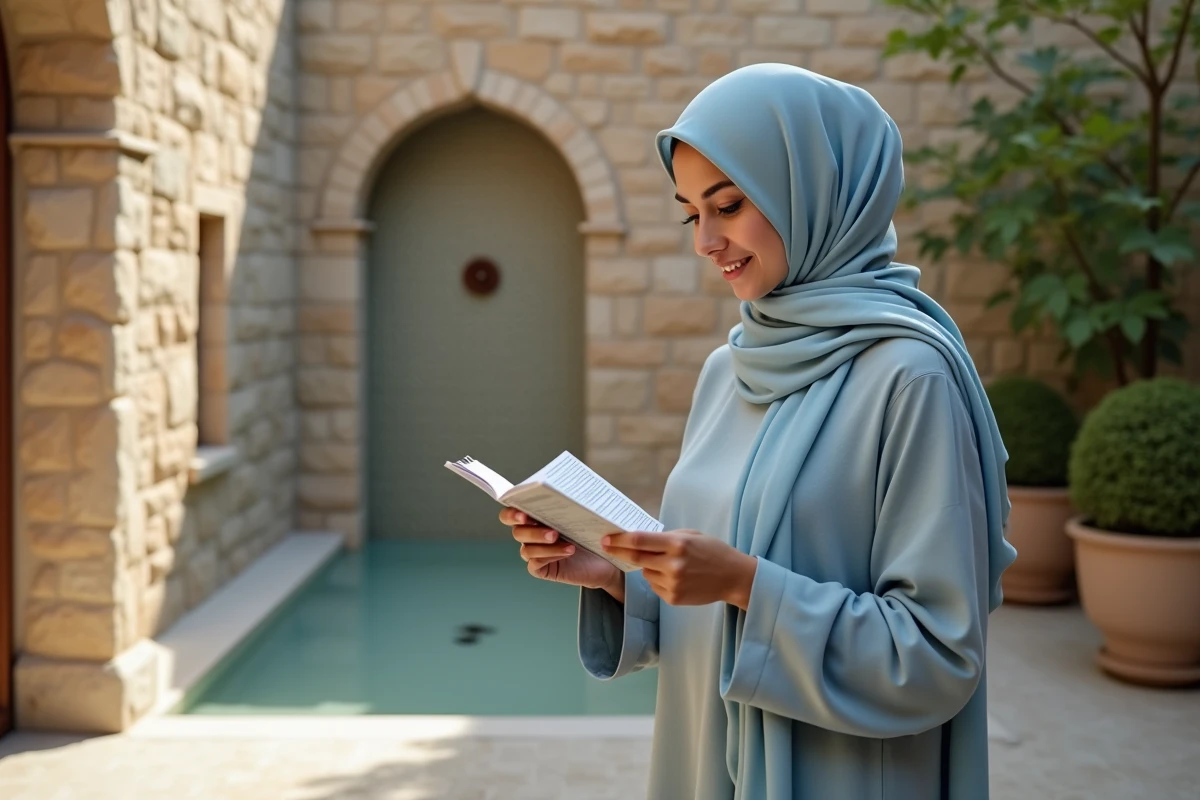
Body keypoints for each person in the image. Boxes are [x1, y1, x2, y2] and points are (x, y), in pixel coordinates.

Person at [501, 63, 1017, 800]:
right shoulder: (730, 370)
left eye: (729, 205)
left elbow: (936, 654)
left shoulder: (910, 378)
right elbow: (716, 596)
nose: (706, 241)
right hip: (708, 764)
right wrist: (622, 578)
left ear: (814, 192)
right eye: (691, 215)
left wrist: (745, 584)